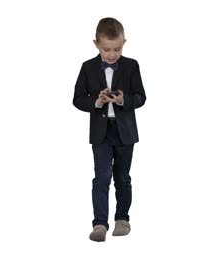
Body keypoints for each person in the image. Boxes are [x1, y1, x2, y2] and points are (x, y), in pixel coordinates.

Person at [73, 17, 147, 242]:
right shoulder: (87, 67)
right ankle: (99, 224)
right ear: (96, 43)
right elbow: (77, 99)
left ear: (124, 42)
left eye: (117, 48)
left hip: (125, 132)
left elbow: (141, 97)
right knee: (101, 178)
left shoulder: (131, 65)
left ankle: (122, 219)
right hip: (101, 133)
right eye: (107, 49)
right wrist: (97, 102)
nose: (112, 54)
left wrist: (124, 100)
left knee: (122, 178)